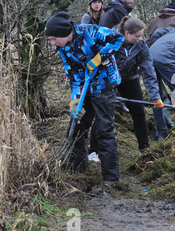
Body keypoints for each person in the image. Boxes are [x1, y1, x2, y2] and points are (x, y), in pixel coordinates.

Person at [45, 11, 124, 183]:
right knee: (76, 126)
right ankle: (77, 170)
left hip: (105, 85)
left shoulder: (90, 31)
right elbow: (73, 74)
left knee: (104, 129)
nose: (52, 43)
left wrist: (99, 58)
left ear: (63, 33)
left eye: (53, 38)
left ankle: (111, 178)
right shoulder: (61, 48)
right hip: (84, 86)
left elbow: (118, 38)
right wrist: (75, 100)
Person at [114, 16, 165, 150]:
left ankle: (144, 148)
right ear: (126, 33)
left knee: (139, 113)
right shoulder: (111, 40)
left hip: (130, 79)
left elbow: (148, 71)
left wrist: (155, 96)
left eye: (142, 35)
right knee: (105, 114)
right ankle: (94, 150)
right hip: (109, 80)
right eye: (137, 36)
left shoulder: (141, 45)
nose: (141, 39)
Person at [147, 0, 175, 128]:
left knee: (157, 96)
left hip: (151, 59)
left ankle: (160, 129)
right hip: (169, 61)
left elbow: (150, 39)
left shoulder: (156, 19)